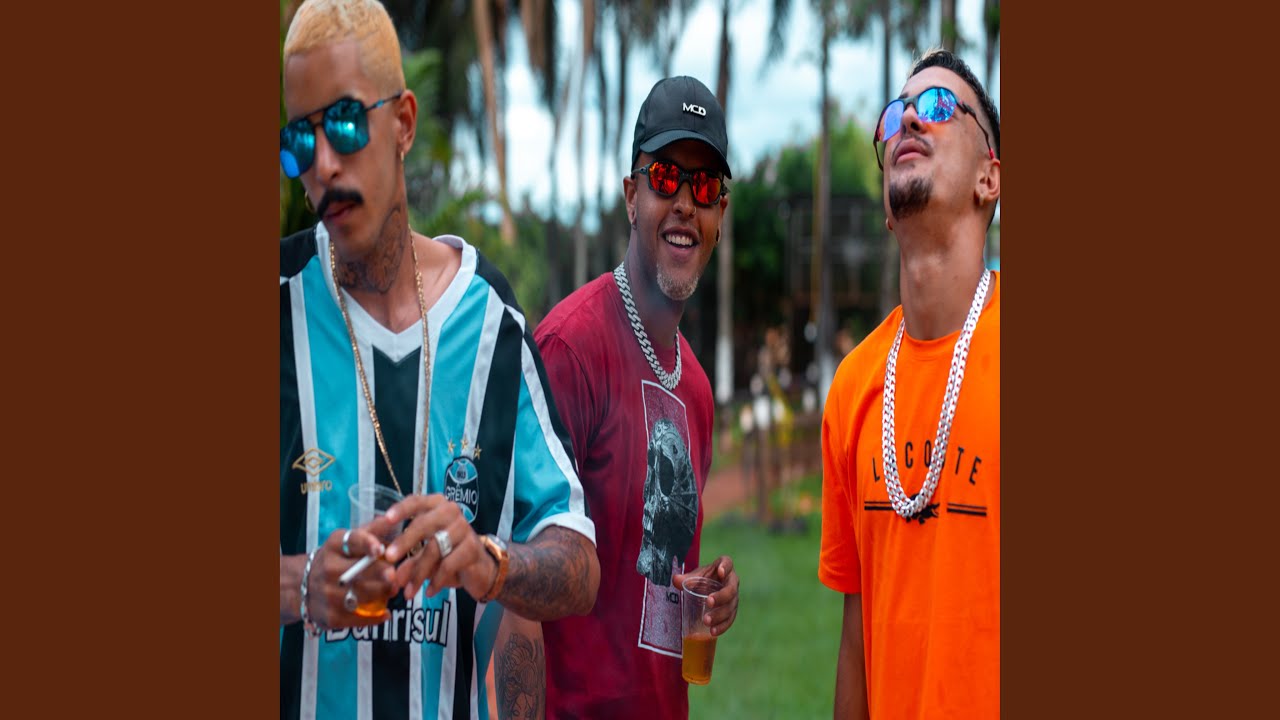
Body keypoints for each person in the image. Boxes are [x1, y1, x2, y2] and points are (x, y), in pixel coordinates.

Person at [277, 2, 599, 718]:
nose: (323, 164)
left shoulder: (491, 327)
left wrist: (489, 563)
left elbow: (579, 562)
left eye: (346, 123)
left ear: (404, 123)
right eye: (299, 140)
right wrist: (301, 585)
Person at [527, 75, 742, 719]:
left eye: (705, 187)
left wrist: (703, 597)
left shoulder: (696, 388)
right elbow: (513, 586)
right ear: (631, 196)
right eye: (666, 178)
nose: (685, 203)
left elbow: (652, 577)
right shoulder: (570, 350)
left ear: (720, 216)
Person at [819, 48, 1001, 719]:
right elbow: (856, 635)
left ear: (990, 177)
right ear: (889, 213)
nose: (910, 122)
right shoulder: (853, 387)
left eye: (939, 106)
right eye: (896, 115)